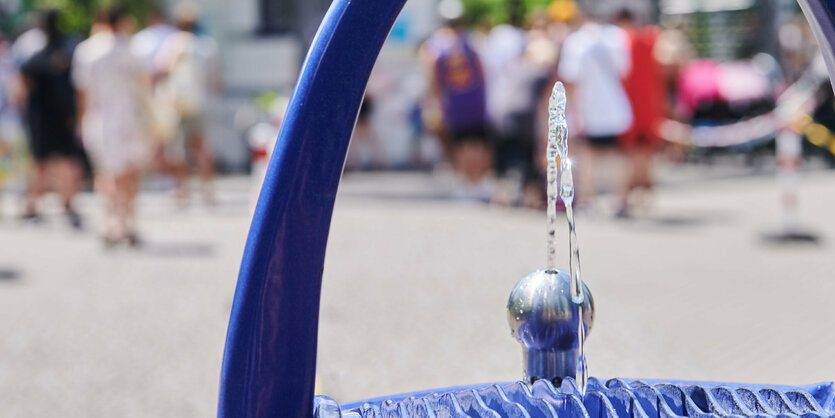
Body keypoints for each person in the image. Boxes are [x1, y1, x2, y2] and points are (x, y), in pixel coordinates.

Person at [73, 4, 149, 245]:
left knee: (106, 174)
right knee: (130, 173)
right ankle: (129, 221)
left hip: (101, 118)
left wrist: (80, 120)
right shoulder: (134, 49)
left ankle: (111, 221)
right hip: (132, 118)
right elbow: (144, 88)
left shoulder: (88, 51)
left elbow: (83, 93)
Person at [557, 11, 632, 212]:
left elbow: (571, 79)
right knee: (615, 154)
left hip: (588, 108)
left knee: (586, 154)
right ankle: (621, 200)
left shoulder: (576, 43)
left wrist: (571, 111)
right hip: (614, 107)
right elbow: (624, 70)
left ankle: (588, 201)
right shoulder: (615, 37)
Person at [18, 9, 83, 227]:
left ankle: (34, 205)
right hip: (62, 115)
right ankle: (67, 203)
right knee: (65, 161)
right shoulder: (69, 50)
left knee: (41, 163)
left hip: (41, 116)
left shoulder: (32, 48)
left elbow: (23, 85)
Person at [420, 16, 492, 197]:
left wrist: (433, 105)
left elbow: (433, 80)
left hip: (455, 103)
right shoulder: (472, 42)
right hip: (475, 100)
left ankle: (469, 183)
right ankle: (478, 182)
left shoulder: (436, 47)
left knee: (461, 145)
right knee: (478, 143)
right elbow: (483, 73)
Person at [154, 3, 217, 205]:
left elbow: (163, 69)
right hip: (199, 102)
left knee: (178, 149)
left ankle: (183, 190)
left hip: (178, 104)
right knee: (201, 147)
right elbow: (215, 78)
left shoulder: (174, 44)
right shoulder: (205, 45)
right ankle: (208, 189)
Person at [615, 10, 667, 217]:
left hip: (629, 106)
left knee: (629, 154)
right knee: (647, 153)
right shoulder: (651, 39)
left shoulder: (622, 41)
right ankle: (646, 195)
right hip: (650, 104)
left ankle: (630, 195)